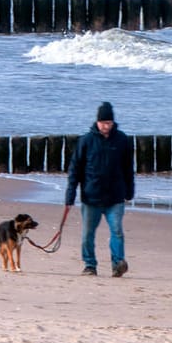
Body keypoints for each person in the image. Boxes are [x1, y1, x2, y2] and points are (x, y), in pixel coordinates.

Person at [64, 101, 135, 277]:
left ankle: (118, 263)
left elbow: (128, 167)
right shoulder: (86, 141)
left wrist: (130, 190)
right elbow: (75, 169)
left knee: (117, 231)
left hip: (115, 196)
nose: (106, 126)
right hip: (91, 197)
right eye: (103, 123)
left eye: (109, 123)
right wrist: (70, 194)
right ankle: (90, 265)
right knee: (88, 234)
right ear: (97, 122)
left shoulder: (122, 140)